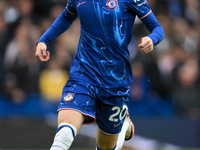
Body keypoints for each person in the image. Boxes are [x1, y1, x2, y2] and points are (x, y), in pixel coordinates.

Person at [35, 0, 165, 149]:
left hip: (114, 82)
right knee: (65, 130)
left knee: (105, 146)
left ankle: (123, 127)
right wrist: (44, 40)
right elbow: (67, 16)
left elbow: (157, 28)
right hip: (84, 74)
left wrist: (151, 39)